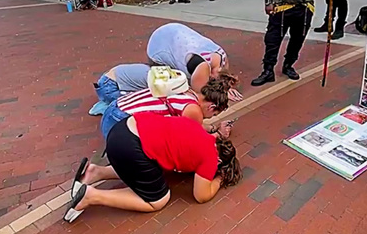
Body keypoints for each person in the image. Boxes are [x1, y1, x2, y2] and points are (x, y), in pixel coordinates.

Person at [64, 113, 242, 222]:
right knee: (158, 200)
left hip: (122, 129)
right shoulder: (211, 158)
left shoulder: (198, 130)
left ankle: (96, 172)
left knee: (152, 169)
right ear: (220, 162)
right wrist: (219, 179)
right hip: (131, 147)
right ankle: (92, 196)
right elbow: (201, 195)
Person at [99, 72, 237, 141]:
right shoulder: (193, 109)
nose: (210, 117)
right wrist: (218, 135)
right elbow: (195, 140)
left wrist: (213, 127)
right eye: (213, 115)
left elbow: (194, 125)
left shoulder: (187, 90)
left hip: (115, 107)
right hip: (120, 120)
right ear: (211, 107)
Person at [146, 23, 241, 101]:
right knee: (172, 87)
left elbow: (223, 78)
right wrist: (221, 95)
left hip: (175, 31)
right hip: (158, 44)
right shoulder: (201, 66)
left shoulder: (222, 58)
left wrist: (226, 89)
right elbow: (199, 96)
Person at [88, 63, 153, 115]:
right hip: (109, 89)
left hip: (106, 82)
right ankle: (107, 107)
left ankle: (107, 101)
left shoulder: (147, 68)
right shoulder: (151, 78)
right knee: (135, 103)